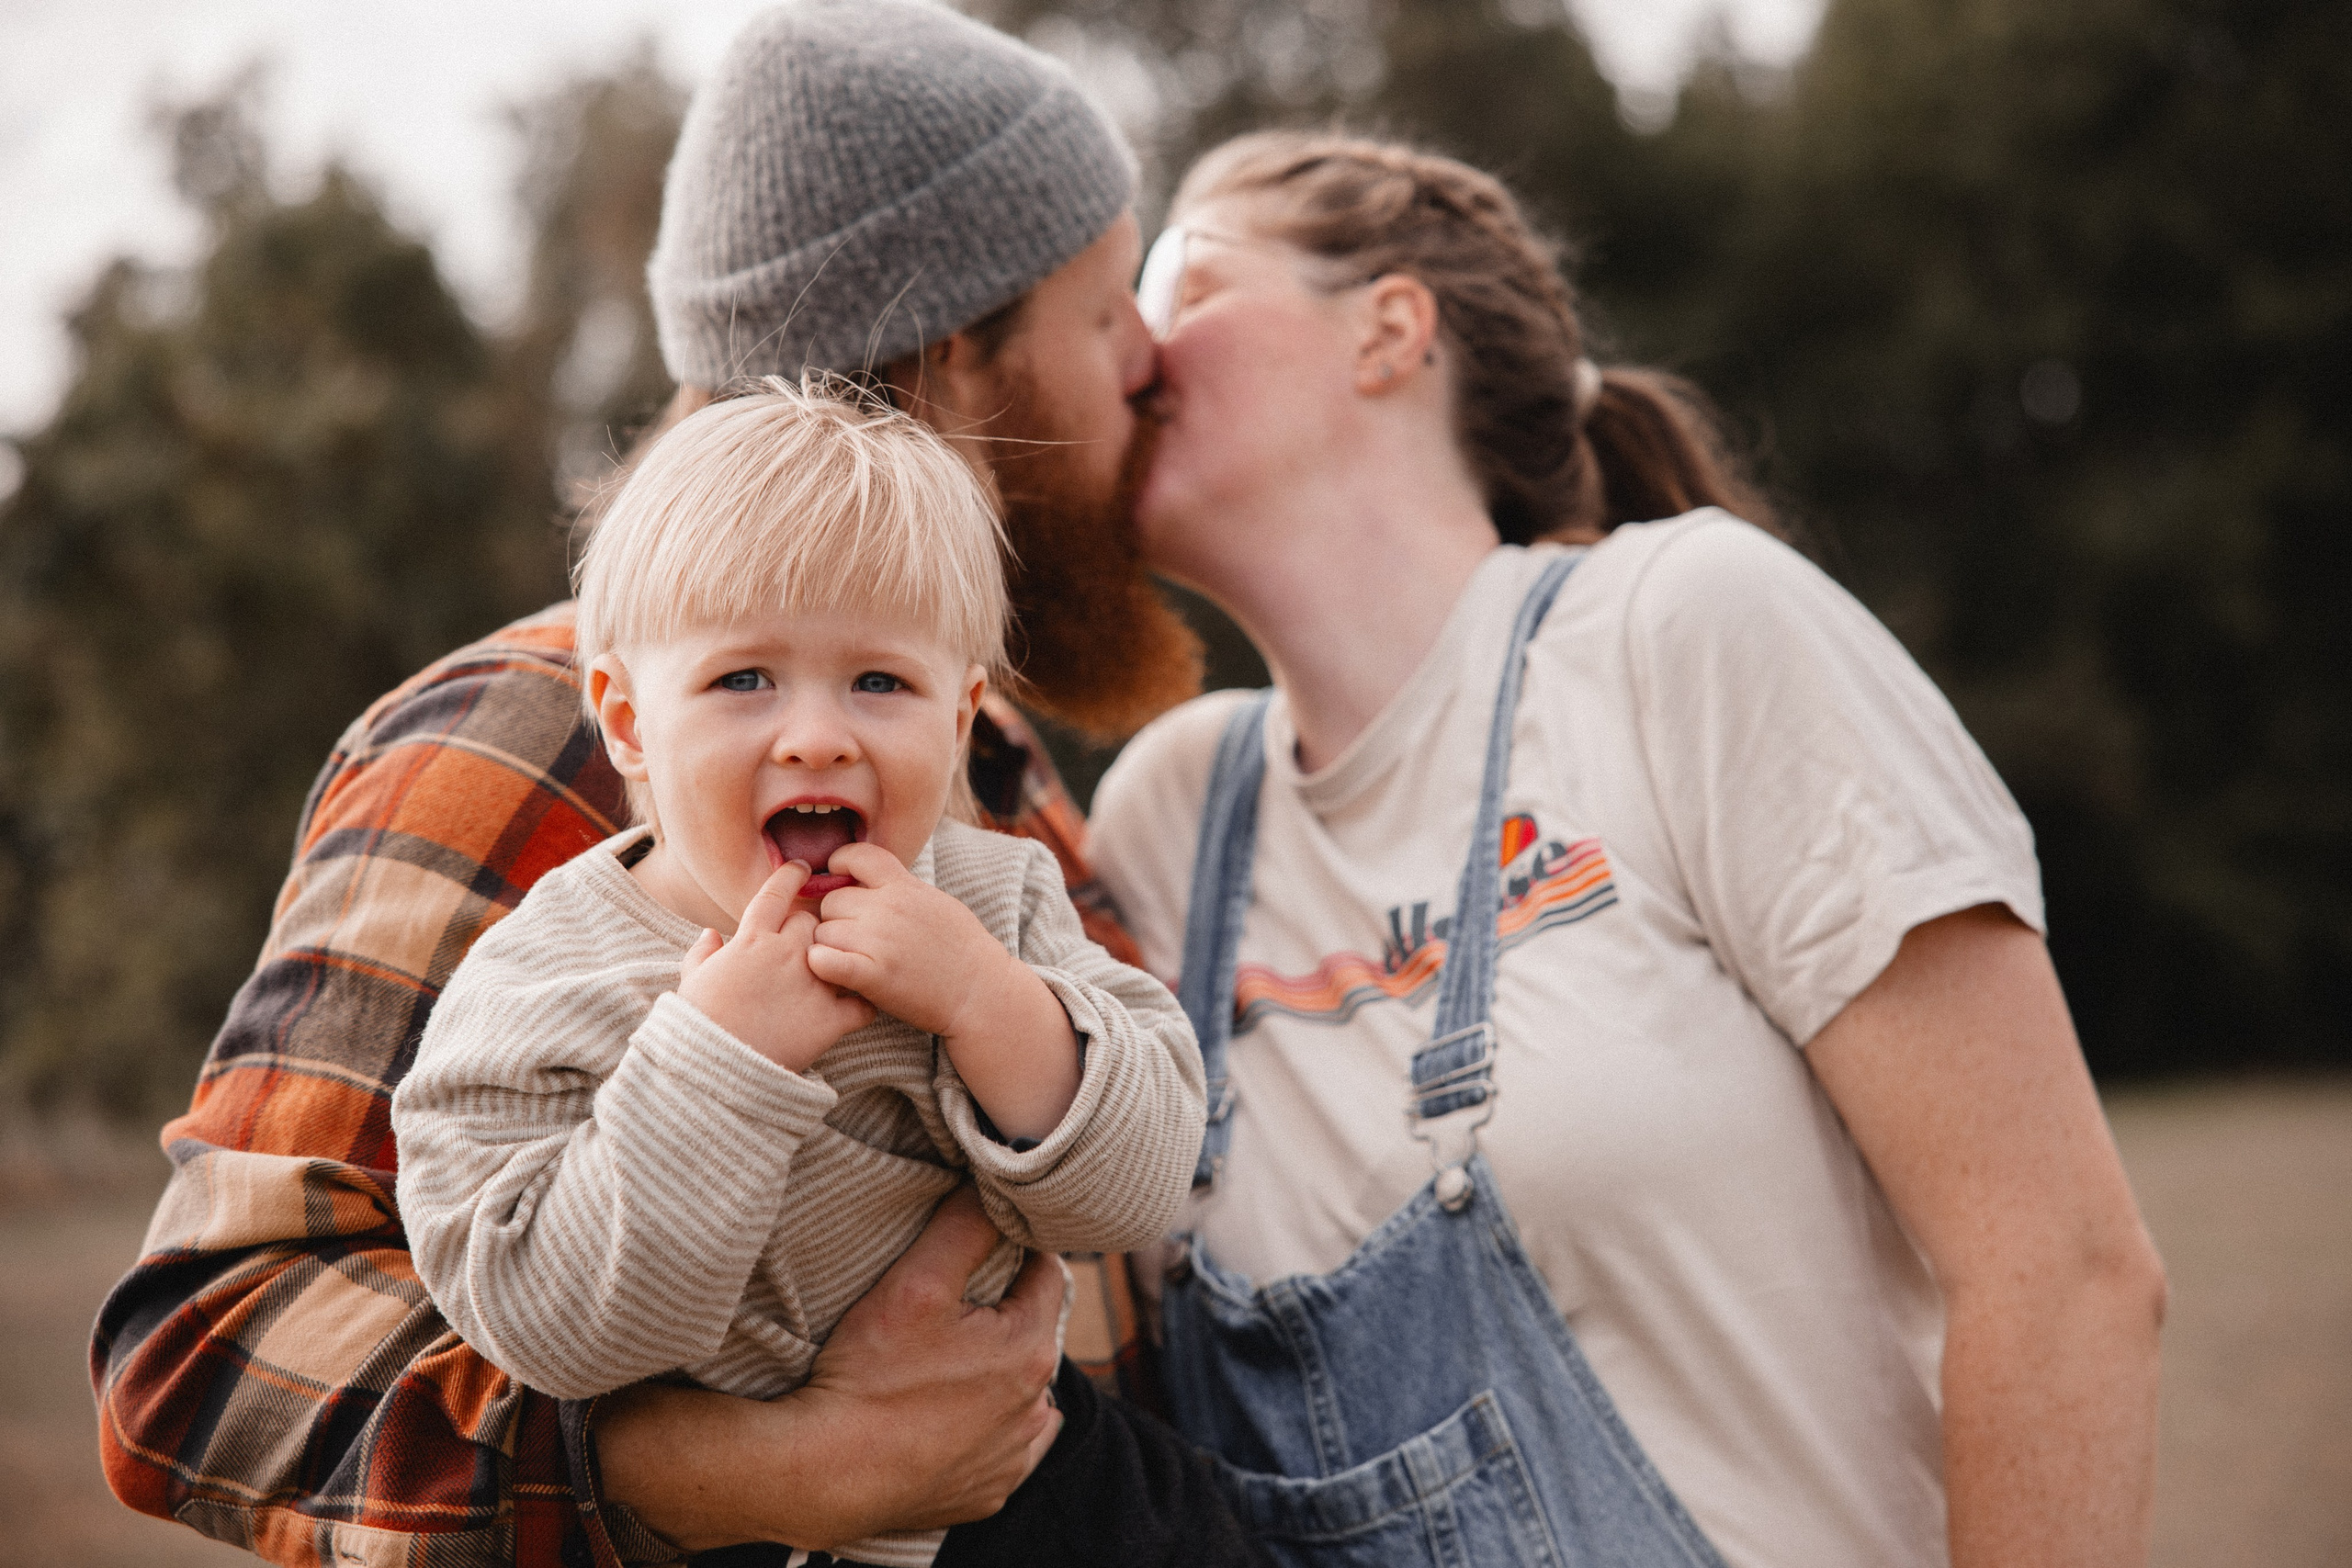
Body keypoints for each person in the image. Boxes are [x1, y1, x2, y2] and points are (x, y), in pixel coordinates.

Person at [91, 6, 1243, 1565]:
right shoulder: (528, 728)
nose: (1150, 367)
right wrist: (749, 1475)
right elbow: (203, 1353)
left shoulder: (972, 769)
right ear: (962, 352)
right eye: (1109, 314)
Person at [1086, 131, 2168, 1568]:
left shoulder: (1681, 632)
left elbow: (2066, 1277)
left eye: (1190, 286)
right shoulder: (1168, 821)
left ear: (1388, 330)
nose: (1137, 354)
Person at [390, 378, 1205, 1568]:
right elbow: (546, 1327)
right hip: (745, 1534)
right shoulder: (543, 981)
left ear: (963, 712)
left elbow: (1136, 1191)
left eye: (880, 682)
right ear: (625, 718)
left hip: (1056, 1494)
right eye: (744, 680)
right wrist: (716, 1065)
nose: (818, 734)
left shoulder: (994, 906)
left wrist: (988, 1004)